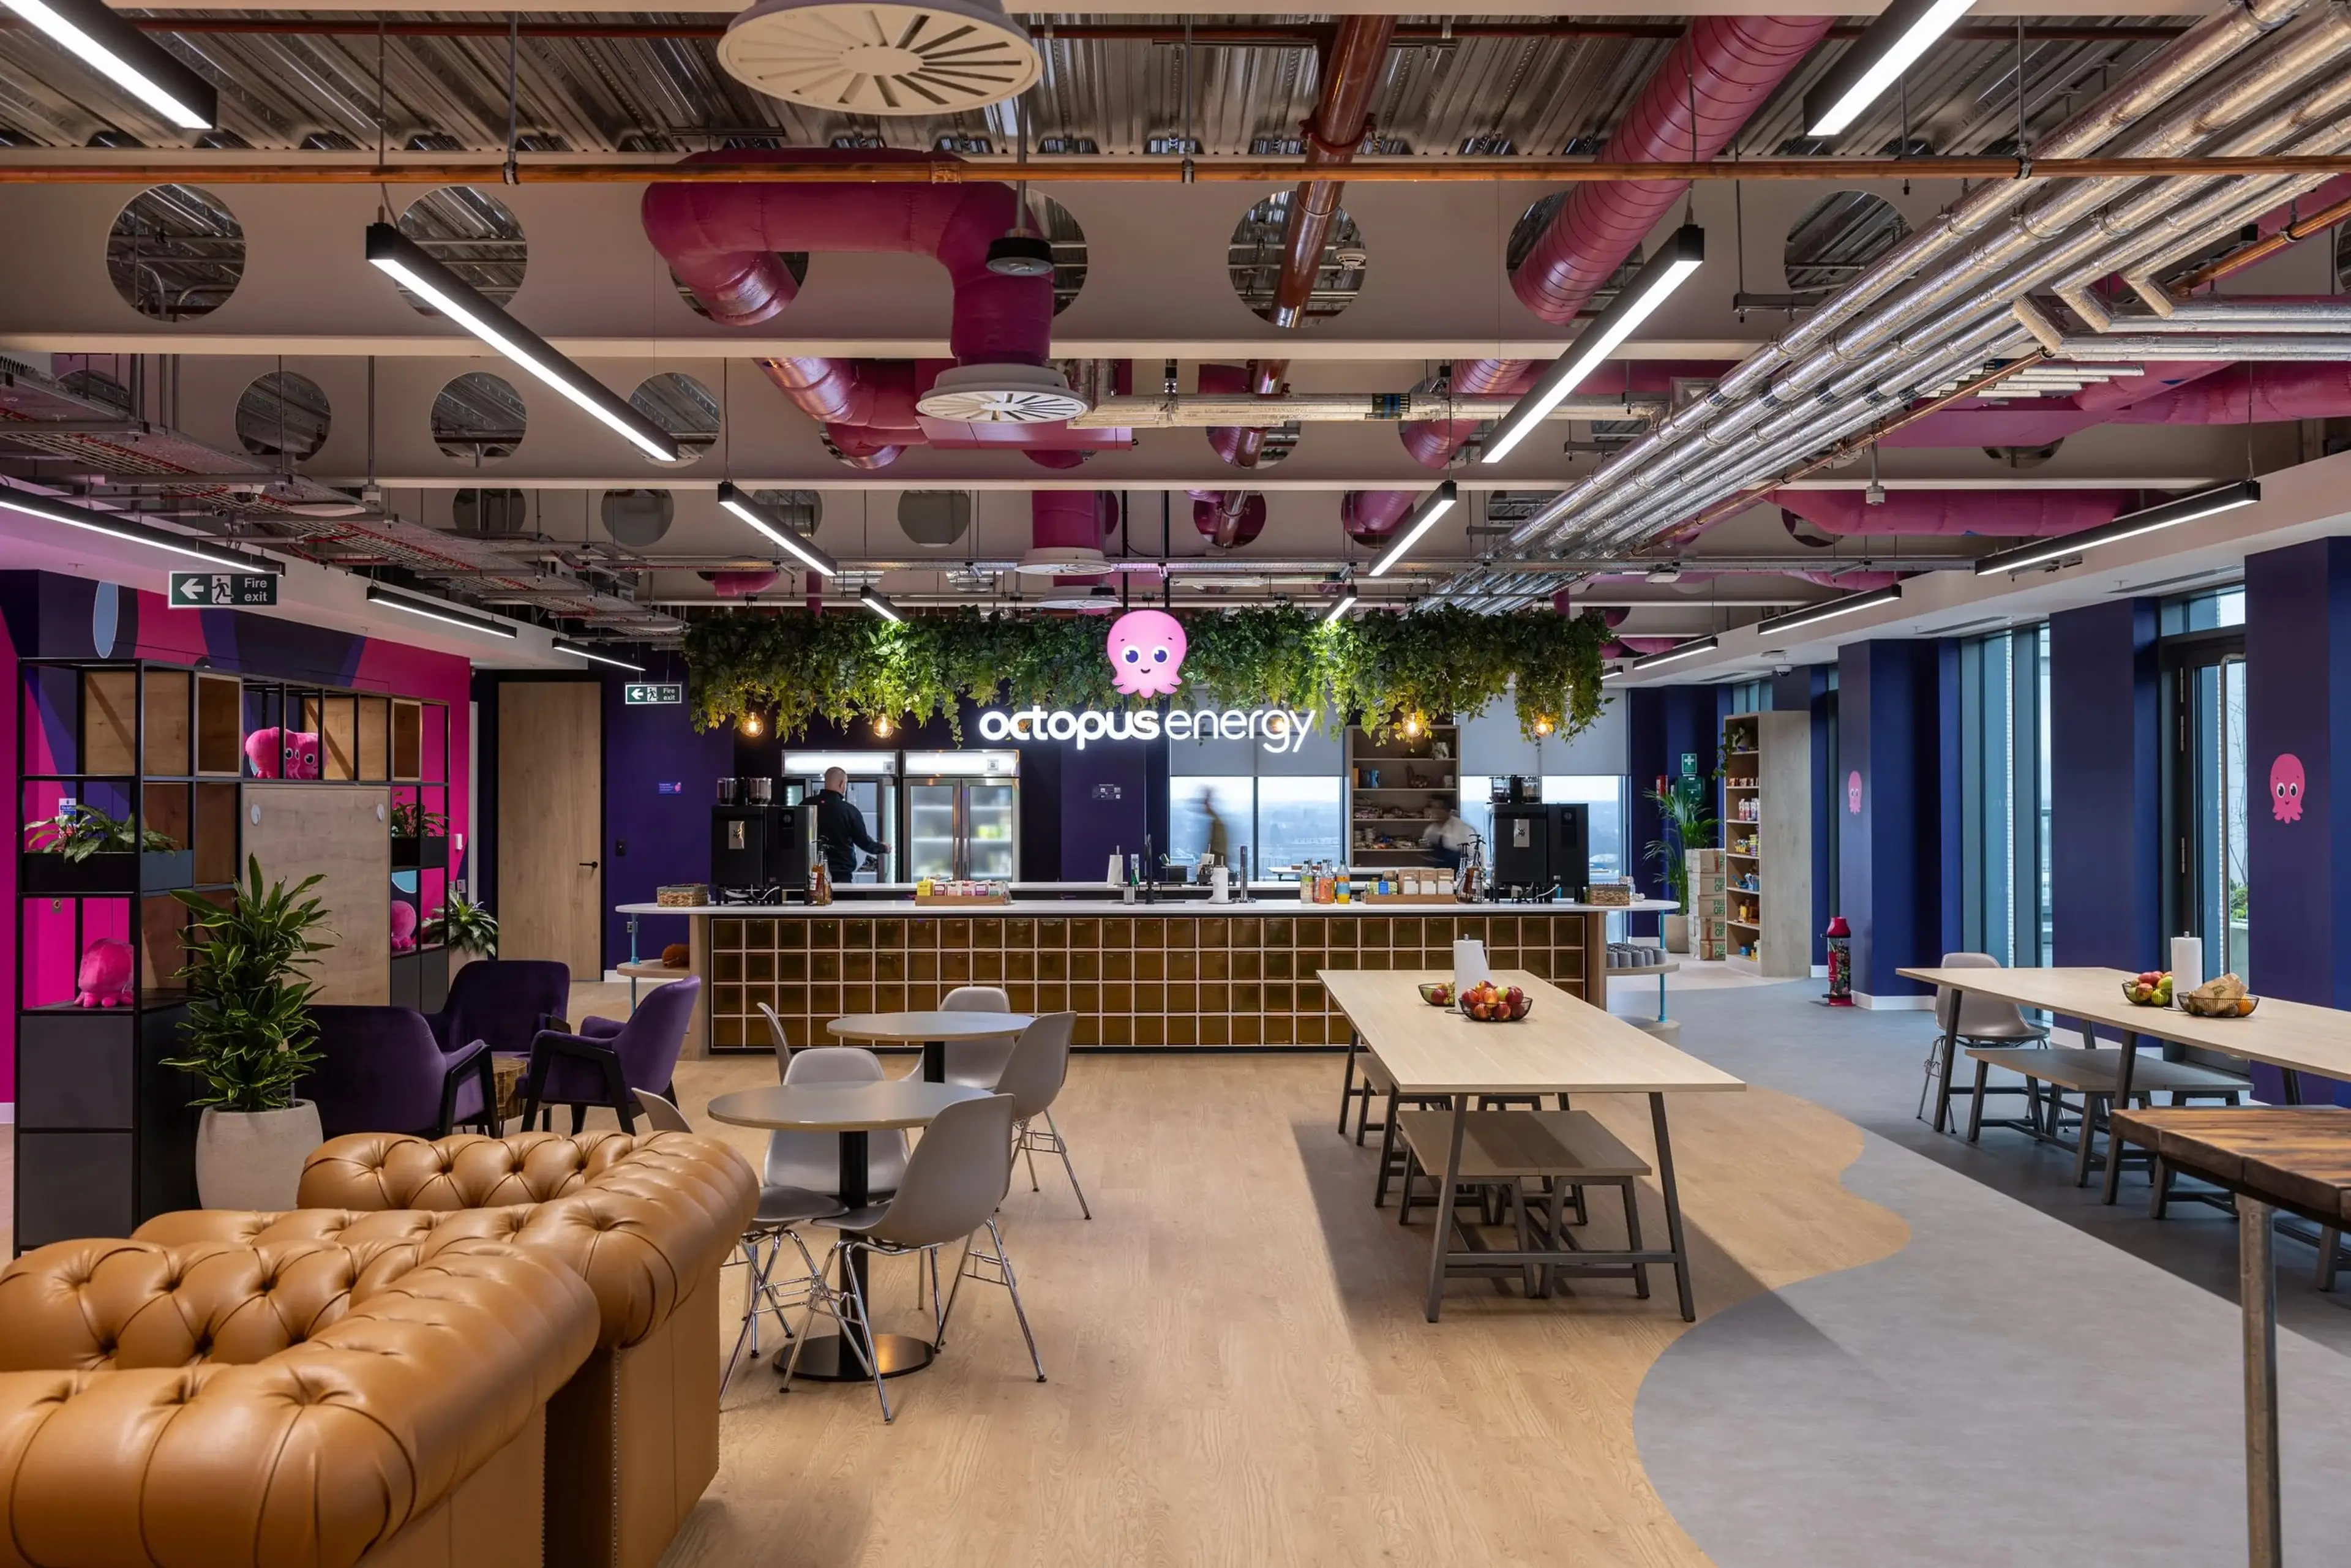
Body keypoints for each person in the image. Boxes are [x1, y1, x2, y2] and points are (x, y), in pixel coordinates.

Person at [813, 766, 884, 884]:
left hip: (811, 877)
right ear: (842, 784)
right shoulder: (850, 811)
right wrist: (883, 848)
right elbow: (864, 842)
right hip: (841, 877)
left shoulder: (806, 806)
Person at [1420, 801, 1474, 872]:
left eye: (1439, 809)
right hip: (1440, 870)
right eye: (1433, 809)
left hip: (1457, 869)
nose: (1435, 812)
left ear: (1447, 811)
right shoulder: (1433, 828)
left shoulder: (1462, 828)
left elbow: (1471, 854)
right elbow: (1427, 839)